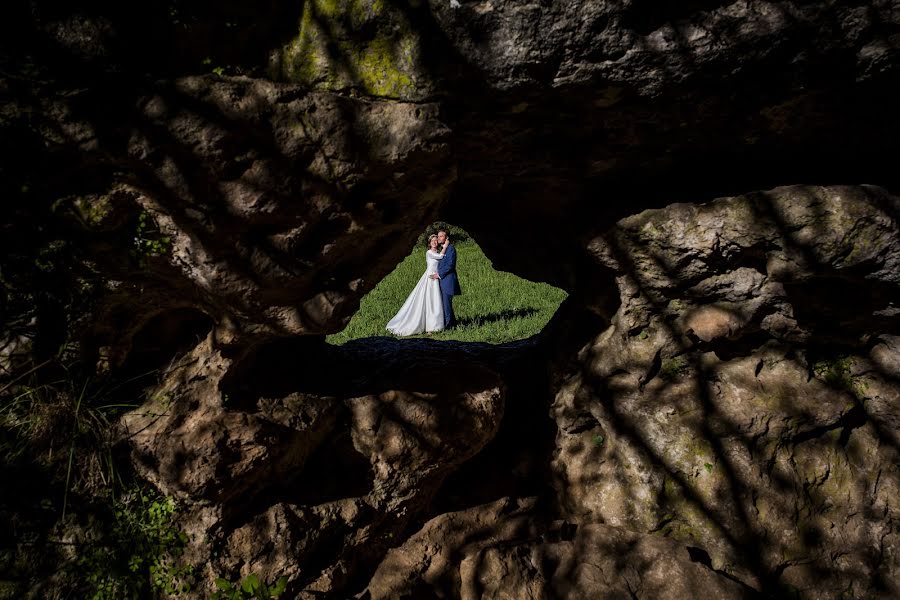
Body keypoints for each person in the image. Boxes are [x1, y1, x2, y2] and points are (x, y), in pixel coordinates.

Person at [386, 234, 448, 336]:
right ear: (429, 243)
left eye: (436, 240)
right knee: (430, 301)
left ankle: (434, 325)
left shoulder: (437, 251)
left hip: (436, 278)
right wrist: (445, 246)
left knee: (435, 301)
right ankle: (428, 328)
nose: (434, 242)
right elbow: (440, 257)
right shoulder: (429, 252)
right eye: (432, 241)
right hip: (430, 278)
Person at [430, 230, 462, 328]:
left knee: (446, 304)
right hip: (442, 281)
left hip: (448, 281)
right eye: (438, 236)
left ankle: (448, 326)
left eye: (441, 236)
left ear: (446, 238)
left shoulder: (451, 249)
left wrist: (439, 274)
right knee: (445, 304)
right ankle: (452, 324)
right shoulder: (443, 249)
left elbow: (450, 265)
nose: (439, 238)